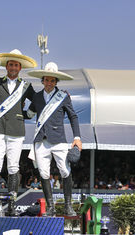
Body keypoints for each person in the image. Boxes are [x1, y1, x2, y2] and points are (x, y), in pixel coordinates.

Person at [27, 62, 82, 216]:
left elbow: (73, 116)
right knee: (44, 173)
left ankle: (68, 206)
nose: (49, 83)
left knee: (65, 170)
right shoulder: (37, 97)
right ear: (42, 80)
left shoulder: (63, 96)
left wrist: (77, 137)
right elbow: (29, 114)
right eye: (47, 80)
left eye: (52, 80)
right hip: (41, 141)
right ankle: (50, 207)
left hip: (59, 140)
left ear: (56, 81)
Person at [0, 49, 37, 216]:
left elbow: (37, 101)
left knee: (13, 166)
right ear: (6, 66)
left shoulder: (26, 86)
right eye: (11, 64)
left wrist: (25, 114)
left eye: (16, 65)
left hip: (16, 130)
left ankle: (11, 204)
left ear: (20, 68)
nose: (13, 67)